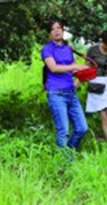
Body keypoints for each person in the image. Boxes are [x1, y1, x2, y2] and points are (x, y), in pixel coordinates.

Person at [41, 18, 89, 161]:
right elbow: (53, 68)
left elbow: (75, 71)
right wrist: (75, 67)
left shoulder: (68, 49)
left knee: (82, 128)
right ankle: (67, 162)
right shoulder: (47, 49)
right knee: (63, 131)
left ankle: (69, 152)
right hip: (56, 93)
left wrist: (84, 72)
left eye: (59, 28)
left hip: (70, 92)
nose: (57, 31)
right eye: (53, 29)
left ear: (63, 30)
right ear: (49, 33)